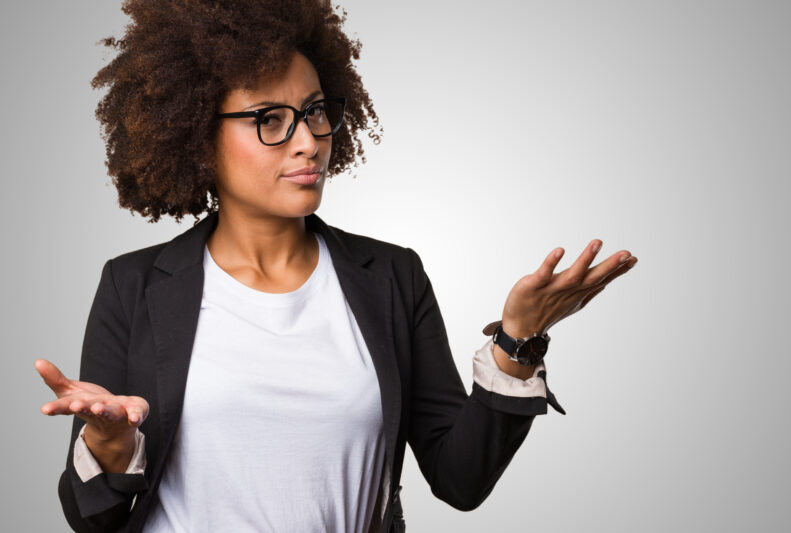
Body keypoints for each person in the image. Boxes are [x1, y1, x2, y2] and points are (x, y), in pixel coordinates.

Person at [34, 1, 638, 532]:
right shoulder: (134, 286)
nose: (308, 141)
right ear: (196, 138)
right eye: (269, 119)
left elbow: (461, 480)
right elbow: (93, 520)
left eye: (316, 111)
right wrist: (109, 447)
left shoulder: (392, 277)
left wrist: (517, 341)